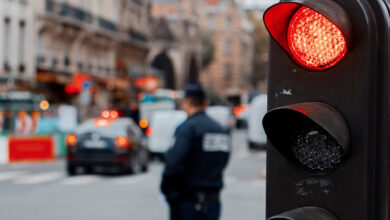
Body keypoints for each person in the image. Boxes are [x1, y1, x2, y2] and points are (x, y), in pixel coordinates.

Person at [160, 83, 231, 220]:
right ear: (205, 103)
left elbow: (173, 163)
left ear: (186, 103)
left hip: (188, 203)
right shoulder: (220, 129)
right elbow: (224, 159)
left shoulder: (187, 128)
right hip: (212, 204)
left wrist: (167, 191)